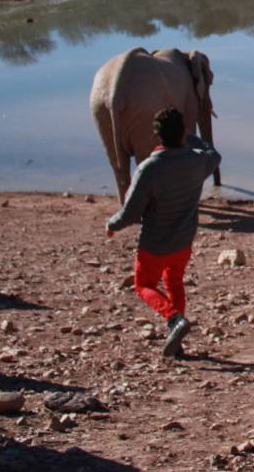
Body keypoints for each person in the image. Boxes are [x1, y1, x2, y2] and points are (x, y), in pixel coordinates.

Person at [106, 107, 220, 359]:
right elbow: (214, 154)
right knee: (174, 282)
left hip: (154, 244)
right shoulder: (196, 161)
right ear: (181, 134)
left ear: (156, 136)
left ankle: (174, 320)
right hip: (183, 242)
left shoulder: (149, 168)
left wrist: (112, 224)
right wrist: (192, 137)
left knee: (144, 284)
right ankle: (176, 341)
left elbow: (131, 213)